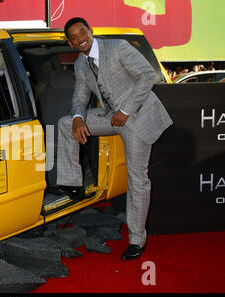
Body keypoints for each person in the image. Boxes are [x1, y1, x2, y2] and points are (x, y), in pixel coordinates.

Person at [56, 17, 173, 260]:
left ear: (91, 30)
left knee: (137, 179)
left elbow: (146, 75)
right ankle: (73, 184)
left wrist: (125, 110)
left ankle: (137, 240)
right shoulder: (80, 64)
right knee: (67, 123)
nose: (80, 39)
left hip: (136, 117)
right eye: (74, 37)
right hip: (111, 116)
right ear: (70, 42)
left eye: (82, 33)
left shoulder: (118, 47)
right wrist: (78, 117)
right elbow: (79, 98)